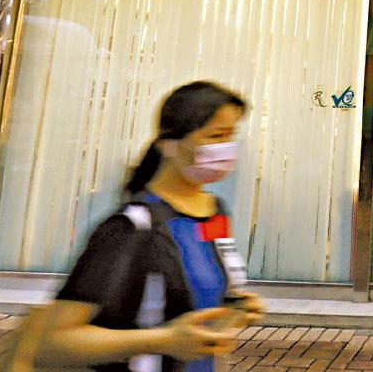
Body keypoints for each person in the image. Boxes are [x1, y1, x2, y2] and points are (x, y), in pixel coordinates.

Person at [31, 81, 265, 372]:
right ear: (169, 144)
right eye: (216, 136)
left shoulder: (215, 212)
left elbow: (195, 292)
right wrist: (164, 340)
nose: (226, 148)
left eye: (231, 136)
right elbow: (52, 344)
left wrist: (234, 308)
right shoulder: (132, 226)